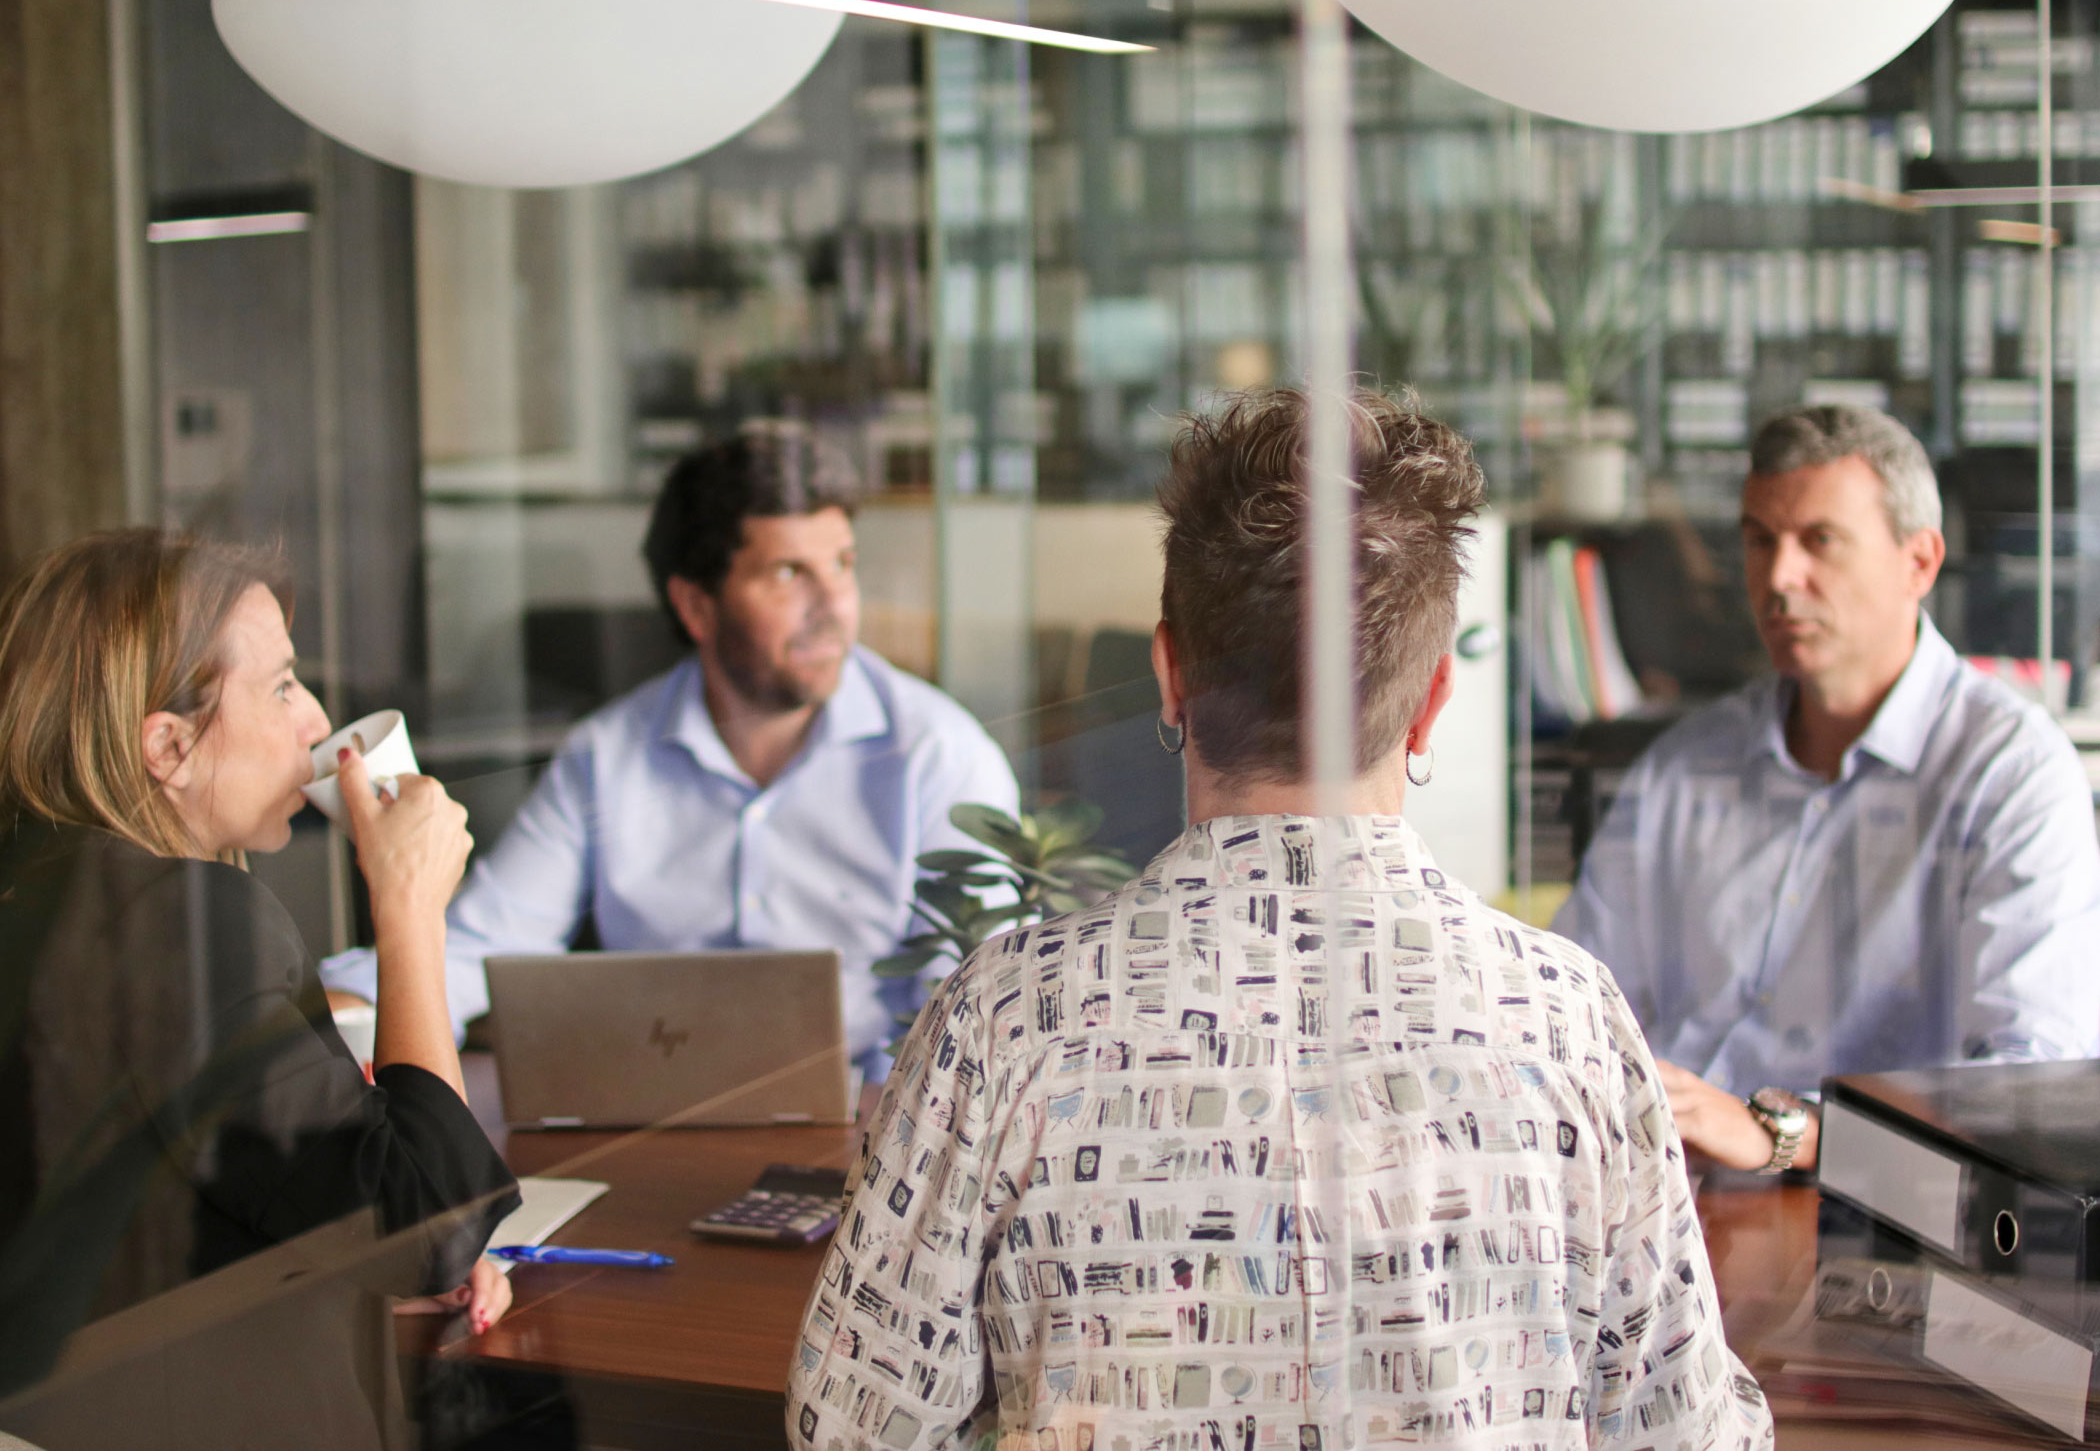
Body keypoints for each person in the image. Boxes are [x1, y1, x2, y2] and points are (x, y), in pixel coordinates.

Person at [786, 389, 1772, 1451]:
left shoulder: (1007, 1019)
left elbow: (849, 1431)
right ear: (1435, 699)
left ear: (1167, 675)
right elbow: (1692, 1437)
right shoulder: (1567, 1018)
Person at [322, 422, 1017, 1073]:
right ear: (696, 607)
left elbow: (985, 1000)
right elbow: (485, 942)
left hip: (877, 1123)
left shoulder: (938, 755)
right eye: (787, 574)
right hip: (652, 1120)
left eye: (841, 564)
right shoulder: (608, 754)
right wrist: (336, 1017)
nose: (834, 604)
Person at [0, 530, 518, 1400]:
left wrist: (326, 1258)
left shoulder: (53, 899)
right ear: (167, 749)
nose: (319, 720)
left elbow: (161, 1206)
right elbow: (428, 1226)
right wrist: (410, 910)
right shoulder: (187, 919)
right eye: (282, 686)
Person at [1555, 404, 2100, 1175]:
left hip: (1871, 1224)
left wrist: (1789, 1135)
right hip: (1659, 1203)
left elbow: (2029, 1085)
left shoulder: (2011, 775)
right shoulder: (1686, 766)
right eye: (1760, 540)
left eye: (1820, 541)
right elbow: (1570, 1009)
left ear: (1920, 563)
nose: (1779, 578)